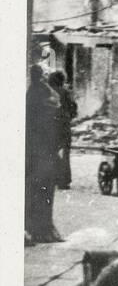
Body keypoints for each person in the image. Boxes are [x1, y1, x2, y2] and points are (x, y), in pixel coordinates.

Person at [25, 66, 63, 243]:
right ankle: (41, 230)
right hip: (40, 154)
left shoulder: (36, 93)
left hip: (41, 153)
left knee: (39, 192)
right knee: (40, 192)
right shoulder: (39, 94)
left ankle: (41, 229)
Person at [48, 71, 77, 190]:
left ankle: (51, 178)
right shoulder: (66, 93)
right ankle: (64, 181)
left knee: (50, 153)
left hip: (50, 127)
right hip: (64, 127)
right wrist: (69, 116)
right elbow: (74, 108)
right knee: (65, 153)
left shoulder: (48, 92)